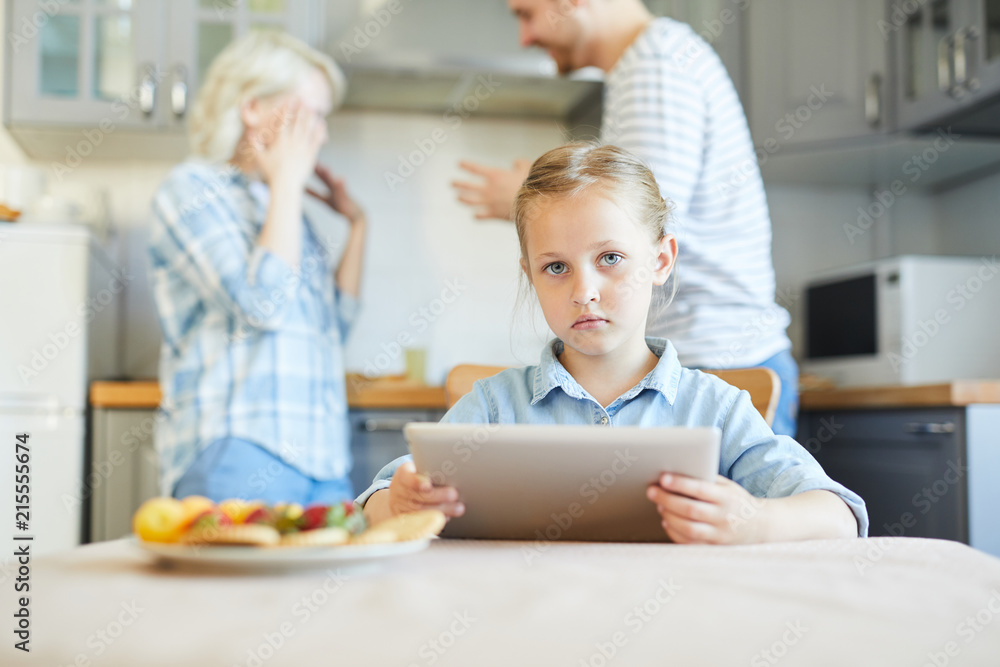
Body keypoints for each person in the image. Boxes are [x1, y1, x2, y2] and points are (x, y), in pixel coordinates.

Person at [360, 144, 866, 544]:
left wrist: (755, 520)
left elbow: (839, 515)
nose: (584, 292)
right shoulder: (493, 406)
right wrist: (399, 503)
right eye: (555, 267)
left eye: (610, 259)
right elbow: (372, 503)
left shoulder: (715, 407)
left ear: (661, 260)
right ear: (530, 276)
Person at [452, 0, 801, 437]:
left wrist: (531, 199)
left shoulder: (654, 67)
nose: (525, 37)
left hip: (712, 361)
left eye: (526, 13)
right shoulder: (647, 63)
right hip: (708, 357)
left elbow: (639, 222)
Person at [148, 31, 367, 505]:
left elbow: (335, 327)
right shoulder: (190, 189)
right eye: (312, 115)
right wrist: (288, 184)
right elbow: (262, 306)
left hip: (324, 461)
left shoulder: (284, 210)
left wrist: (358, 224)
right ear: (252, 108)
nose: (321, 134)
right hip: (239, 451)